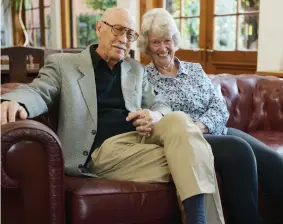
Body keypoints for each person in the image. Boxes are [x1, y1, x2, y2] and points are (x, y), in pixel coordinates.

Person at [1, 7, 225, 224]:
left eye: (130, 34)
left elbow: (161, 103)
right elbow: (40, 89)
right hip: (102, 149)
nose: (124, 38)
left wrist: (155, 114)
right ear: (99, 28)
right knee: (196, 157)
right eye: (118, 29)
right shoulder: (64, 65)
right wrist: (17, 100)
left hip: (140, 139)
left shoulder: (135, 70)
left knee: (178, 119)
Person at [138, 8, 283, 224]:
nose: (163, 48)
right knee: (239, 151)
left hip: (216, 130)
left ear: (175, 41)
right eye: (156, 42)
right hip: (188, 143)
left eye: (167, 40)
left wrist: (200, 125)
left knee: (274, 161)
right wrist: (191, 132)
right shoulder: (143, 79)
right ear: (147, 46)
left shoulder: (194, 70)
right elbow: (158, 119)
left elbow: (219, 107)